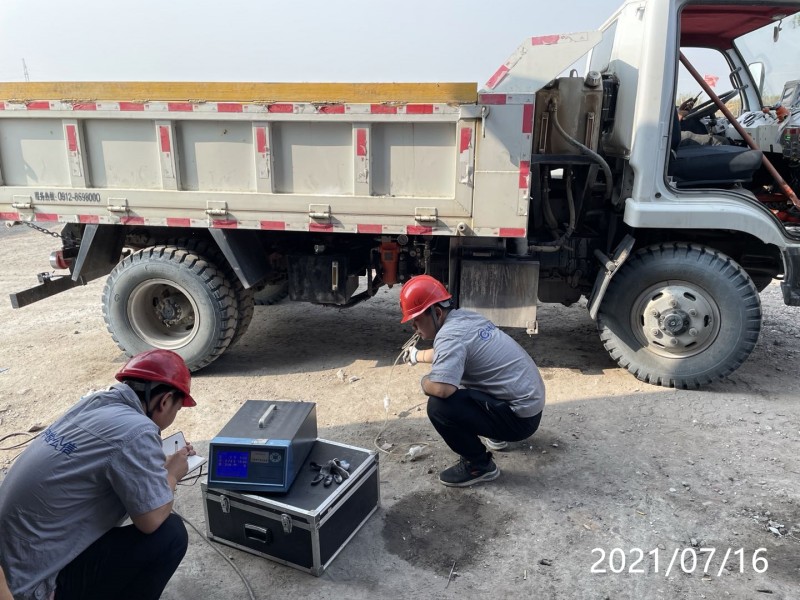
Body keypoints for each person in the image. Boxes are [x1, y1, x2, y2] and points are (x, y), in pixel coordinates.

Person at [0, 349, 197, 600]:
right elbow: (152, 520)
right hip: (32, 586)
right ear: (166, 401)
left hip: (10, 564)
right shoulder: (138, 430)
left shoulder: (94, 403)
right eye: (177, 409)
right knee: (170, 535)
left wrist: (160, 466)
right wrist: (173, 474)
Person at [399, 275, 546, 487]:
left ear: (437, 313)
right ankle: (495, 433)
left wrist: (424, 382)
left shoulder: (449, 336)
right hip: (529, 406)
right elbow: (448, 353)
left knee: (439, 406)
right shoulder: (464, 319)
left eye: (416, 319)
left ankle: (478, 465)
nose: (413, 326)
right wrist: (417, 356)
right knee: (461, 375)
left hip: (520, 420)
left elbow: (442, 389)